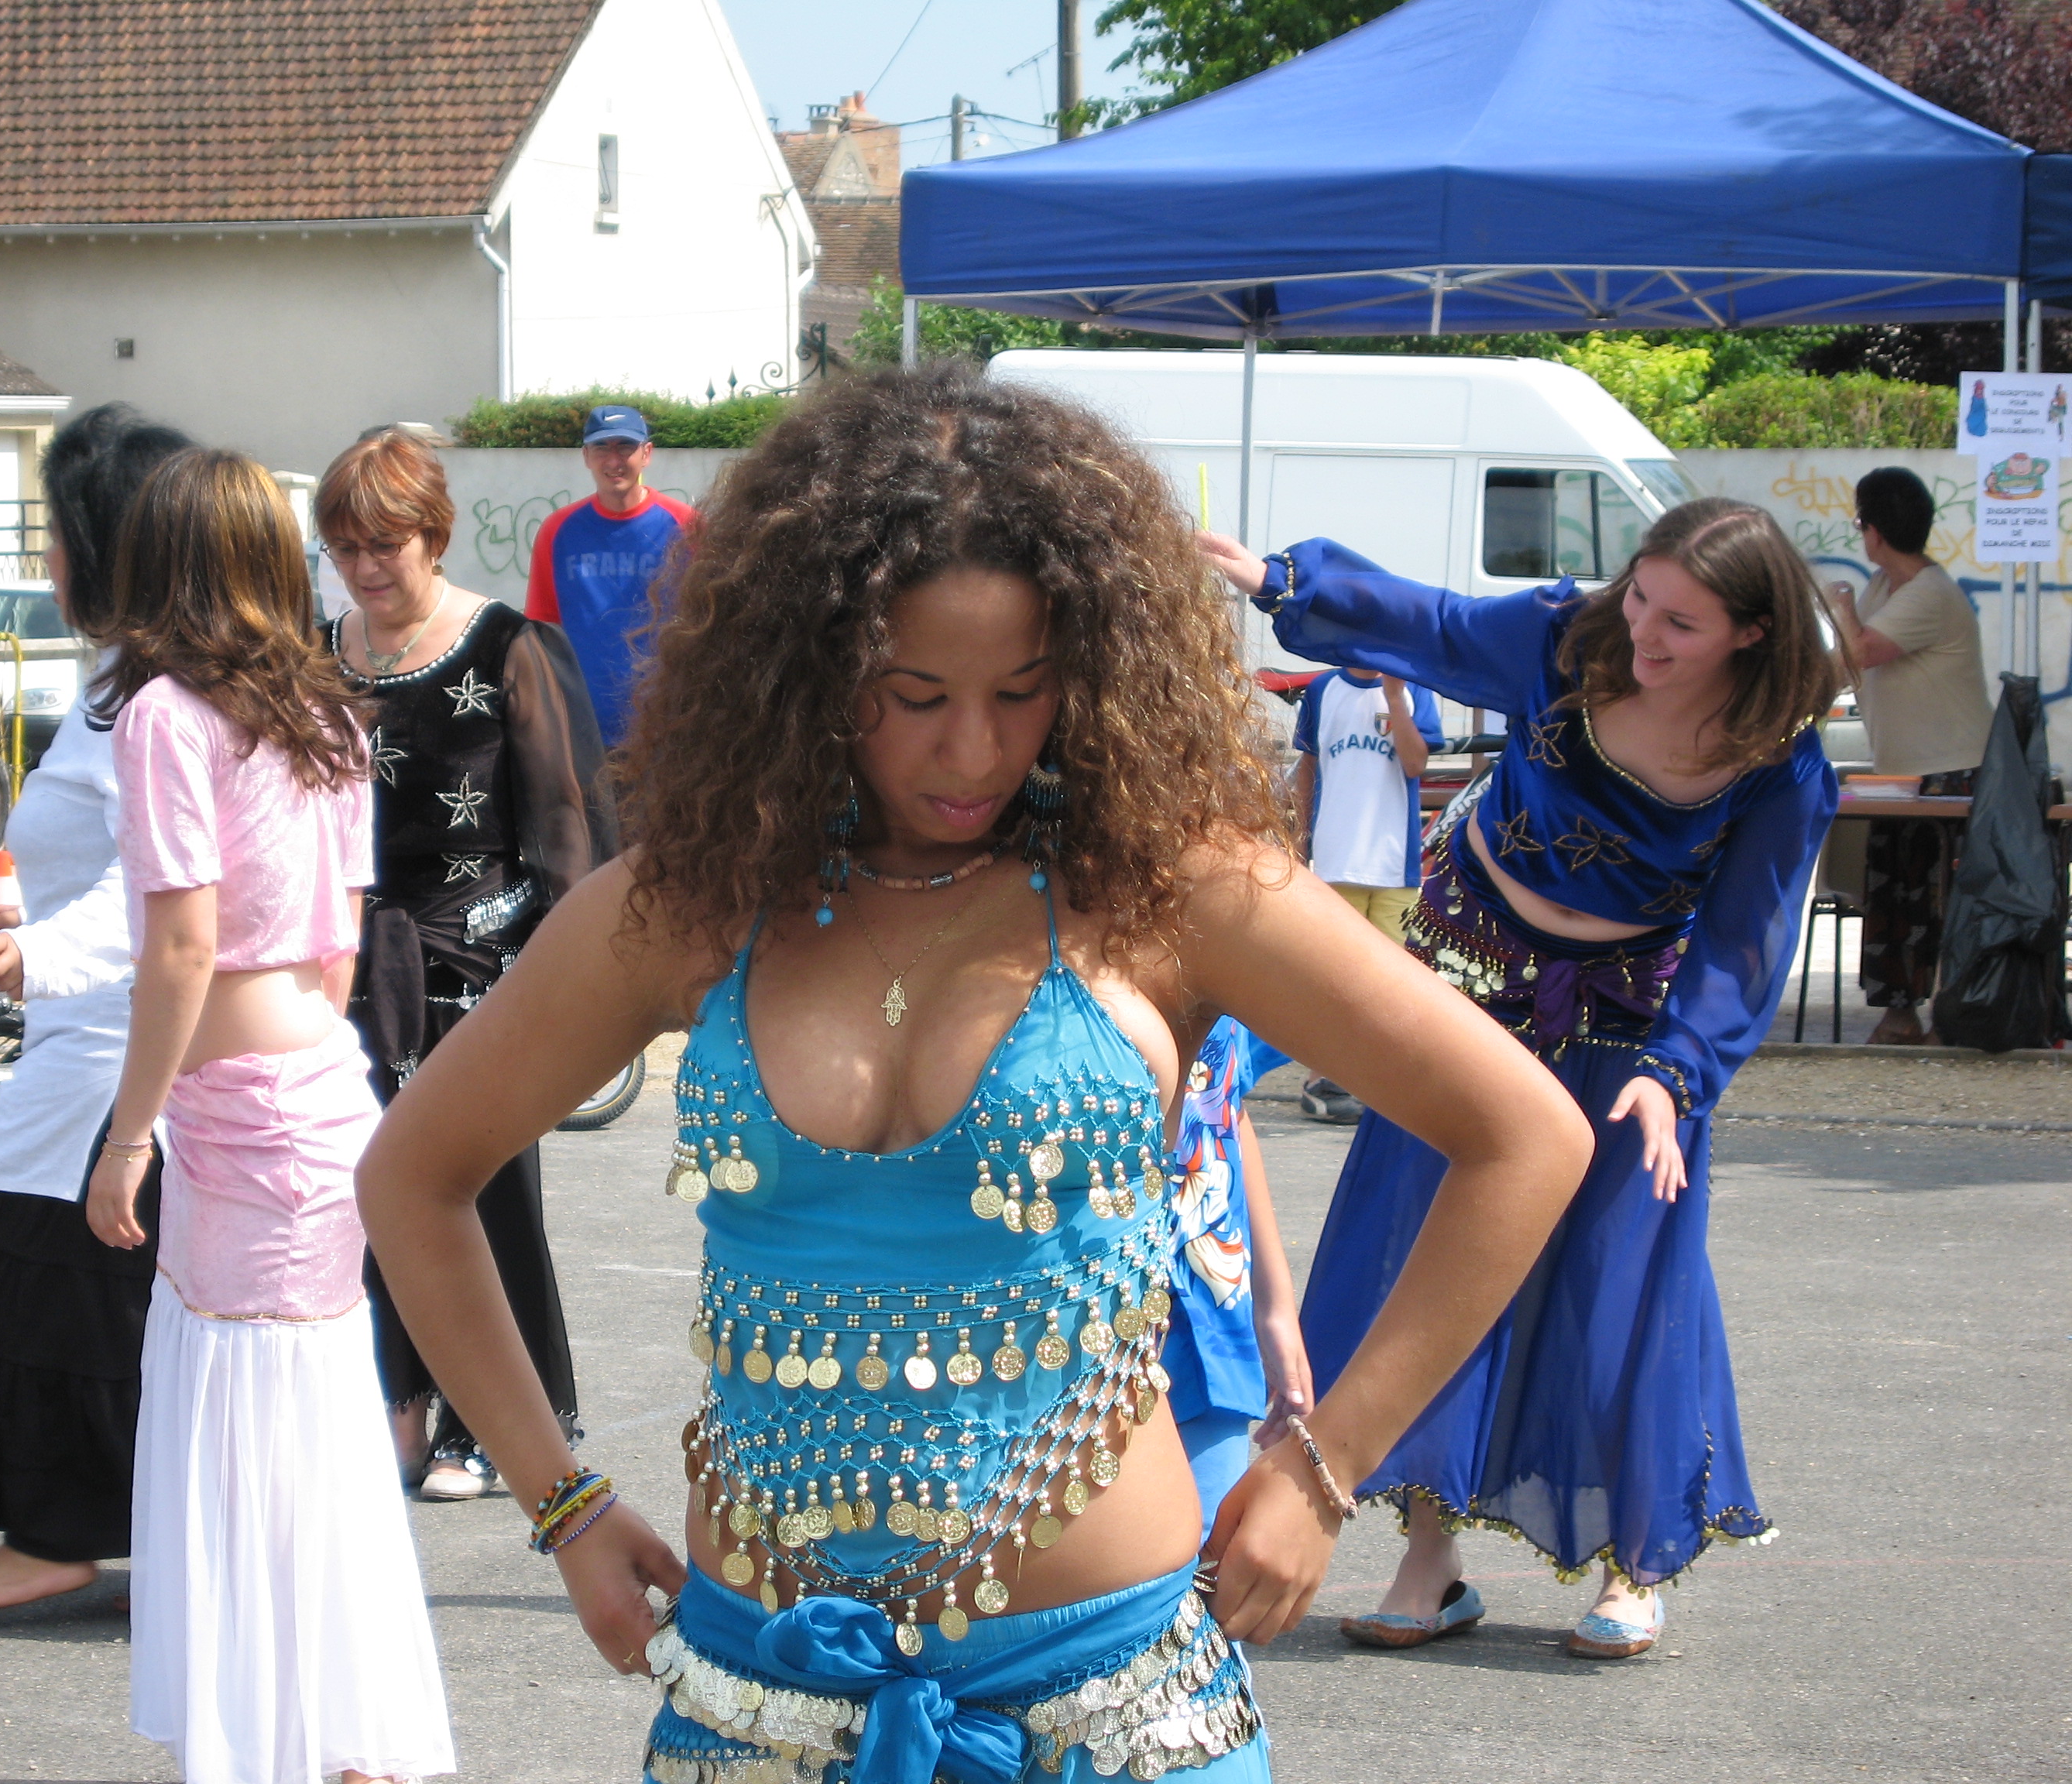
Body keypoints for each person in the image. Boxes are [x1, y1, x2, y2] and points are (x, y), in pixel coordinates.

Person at [358, 365, 1593, 1782]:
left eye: (1022, 690)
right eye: (914, 694)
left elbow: (1524, 1135)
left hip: (1118, 1716)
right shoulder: (689, 905)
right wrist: (563, 1503)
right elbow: (413, 1176)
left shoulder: (1172, 888)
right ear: (811, 669)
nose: (974, 747)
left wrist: (1328, 1464)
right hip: (757, 1708)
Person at [1202, 496, 1843, 1660]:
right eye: (1641, 597)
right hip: (1471, 973)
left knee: (1620, 1278)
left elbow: (1744, 944)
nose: (1643, 633)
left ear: (1752, 634)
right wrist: (1285, 580)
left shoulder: (1779, 767)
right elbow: (1436, 626)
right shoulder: (1568, 640)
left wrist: (1677, 1075)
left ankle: (1633, 1562)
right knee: (1426, 1246)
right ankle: (1429, 1559)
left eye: (1681, 624)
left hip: (1630, 1028)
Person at [85, 450, 453, 1783]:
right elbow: (340, 947)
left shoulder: (165, 719)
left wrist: (129, 1133)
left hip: (239, 1112)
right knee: (312, 1420)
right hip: (319, 1088)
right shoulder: (328, 715)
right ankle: (334, 1734)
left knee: (244, 1420)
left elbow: (181, 950)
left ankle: (278, 1740)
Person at [0, 402, 190, 1612]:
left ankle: (67, 1530)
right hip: (84, 1030)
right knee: (31, 1270)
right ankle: (83, 1524)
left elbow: (164, 893)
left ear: (109, 545)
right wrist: (30, 919)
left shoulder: (168, 695)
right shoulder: (117, 676)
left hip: (121, 1041)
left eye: (60, 535)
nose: (47, 561)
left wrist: (44, 953)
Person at [320, 426, 616, 1500]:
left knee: (486, 1196)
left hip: (479, 958)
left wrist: (570, 984)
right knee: (364, 1187)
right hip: (349, 959)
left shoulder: (506, 645)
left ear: (432, 536)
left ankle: (493, 1424)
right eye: (346, 547)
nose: (365, 567)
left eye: (384, 544)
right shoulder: (316, 656)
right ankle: (397, 1401)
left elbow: (567, 823)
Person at [1827, 466, 1992, 1045]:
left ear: (1873, 530)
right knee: (1894, 894)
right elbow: (1843, 663)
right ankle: (1899, 1015)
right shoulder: (1884, 587)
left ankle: (1954, 1014)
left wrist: (1839, 602)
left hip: (1952, 772)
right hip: (1900, 774)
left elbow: (1861, 650)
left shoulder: (1929, 594)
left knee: (1941, 900)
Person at [1167, 1018, 1312, 1540]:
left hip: (1207, 1319)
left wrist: (1275, 1306)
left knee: (1207, 1552)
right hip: (1049, 1328)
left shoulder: (1216, 970)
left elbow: (1225, 1102)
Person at [1287, 664, 1444, 1123]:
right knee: (1335, 981)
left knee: (1395, 983)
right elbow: (1309, 768)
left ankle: (1383, 1082)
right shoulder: (1323, 689)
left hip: (1395, 864)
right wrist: (1298, 841)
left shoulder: (1415, 687)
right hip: (1336, 860)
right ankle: (1321, 1078)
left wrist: (1395, 698)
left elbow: (1416, 764)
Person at [523, 402, 695, 747]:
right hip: (582, 729)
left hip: (668, 728)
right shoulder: (558, 531)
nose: (613, 461)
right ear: (586, 456)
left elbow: (707, 622)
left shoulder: (687, 526)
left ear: (647, 454)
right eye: (601, 448)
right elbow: (542, 632)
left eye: (625, 447)